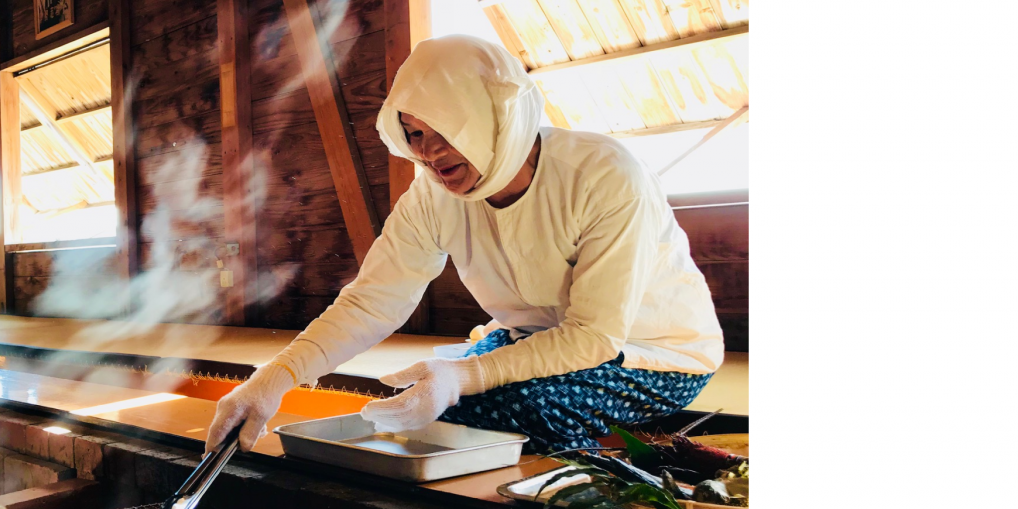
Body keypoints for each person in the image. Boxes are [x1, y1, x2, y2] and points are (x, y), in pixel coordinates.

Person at [205, 35, 724, 456]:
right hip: (533, 340)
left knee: (517, 413)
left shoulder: (603, 175)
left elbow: (593, 338)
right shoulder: (431, 195)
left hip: (654, 354)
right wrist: (276, 376)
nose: (428, 154)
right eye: (413, 134)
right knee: (429, 409)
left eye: (444, 131)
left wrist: (467, 374)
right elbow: (374, 299)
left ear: (492, 117)